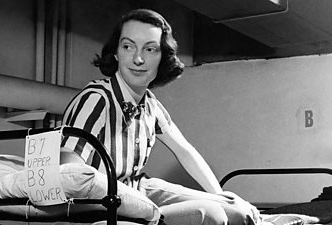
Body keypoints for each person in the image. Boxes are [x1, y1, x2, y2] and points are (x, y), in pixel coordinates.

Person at [61, 8, 260, 225]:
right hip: (105, 205)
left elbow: (184, 151)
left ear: (162, 58)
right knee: (213, 215)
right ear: (116, 53)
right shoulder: (96, 100)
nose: (138, 59)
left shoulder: (150, 105)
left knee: (236, 211)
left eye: (150, 49)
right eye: (128, 47)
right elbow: (69, 176)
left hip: (140, 188)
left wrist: (220, 195)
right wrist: (139, 208)